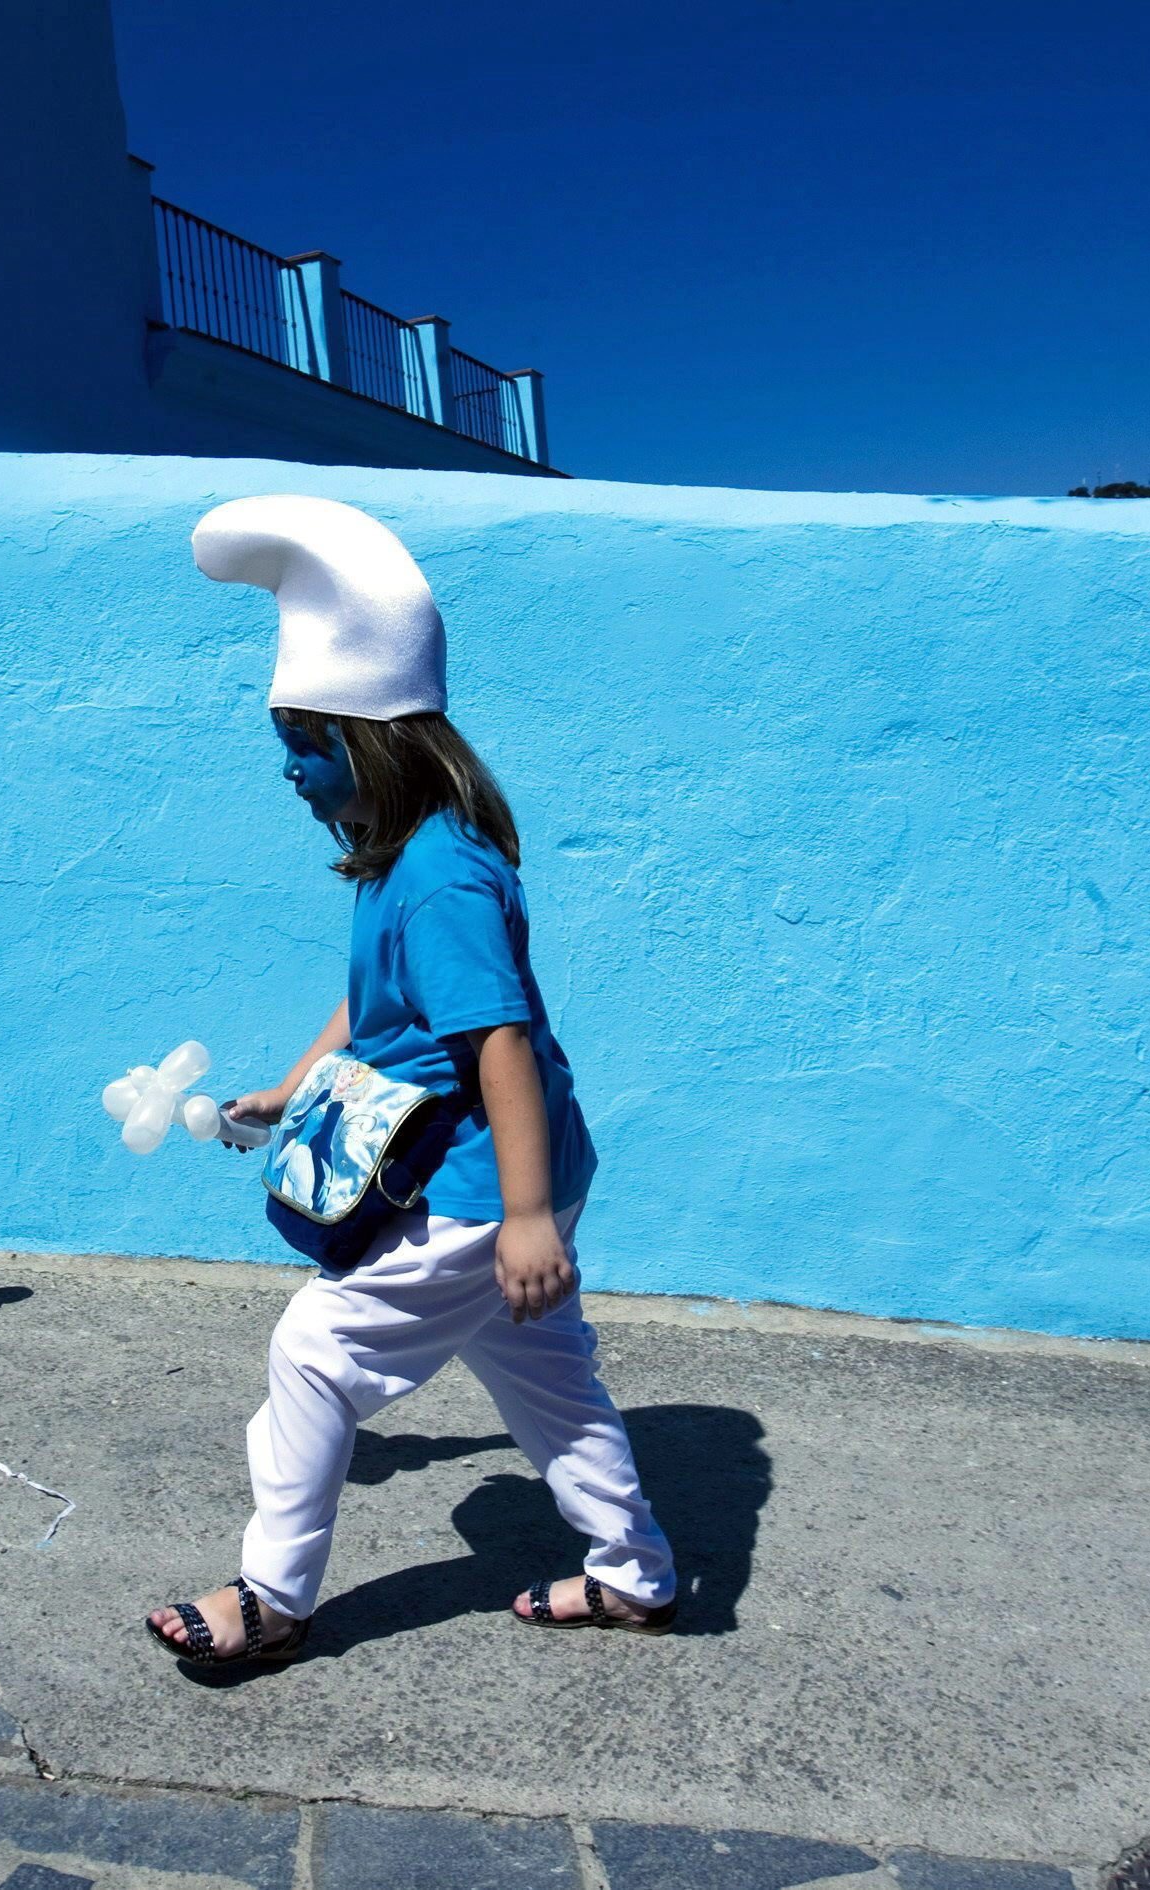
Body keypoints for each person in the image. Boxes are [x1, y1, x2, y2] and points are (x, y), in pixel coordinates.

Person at [143, 495, 678, 1667]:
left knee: (314, 1352)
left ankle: (272, 1599)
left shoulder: (437, 879)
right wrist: (297, 1083)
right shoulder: (406, 861)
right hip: (516, 1176)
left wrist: (527, 1218)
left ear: (365, 744)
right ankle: (634, 1572)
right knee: (545, 1376)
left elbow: (500, 1043)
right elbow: (382, 1000)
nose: (287, 774)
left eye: (302, 748)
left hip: (481, 1185)